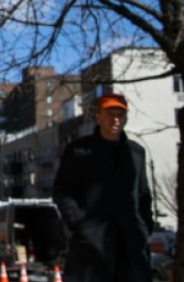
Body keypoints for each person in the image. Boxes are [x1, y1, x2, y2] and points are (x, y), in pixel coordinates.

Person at [52, 93, 153, 282]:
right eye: (110, 114)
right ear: (98, 116)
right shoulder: (79, 151)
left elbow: (143, 194)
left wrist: (144, 227)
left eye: (120, 115)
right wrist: (79, 222)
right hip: (91, 247)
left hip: (130, 247)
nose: (115, 119)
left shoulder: (136, 152)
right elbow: (62, 191)